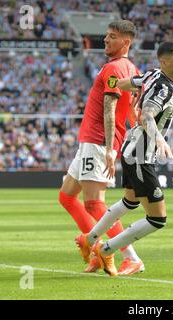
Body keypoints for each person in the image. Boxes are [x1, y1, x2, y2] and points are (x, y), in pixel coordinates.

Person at [75, 42, 173, 276]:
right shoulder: (164, 87)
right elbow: (147, 114)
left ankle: (90, 238)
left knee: (130, 201)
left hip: (131, 150)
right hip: (140, 155)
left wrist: (127, 88)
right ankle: (106, 249)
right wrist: (159, 139)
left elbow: (126, 84)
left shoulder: (152, 74)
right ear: (164, 61)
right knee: (157, 219)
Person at [59, 20, 143, 275]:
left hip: (98, 141)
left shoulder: (115, 68)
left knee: (95, 204)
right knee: (67, 196)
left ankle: (129, 256)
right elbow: (132, 110)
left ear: (125, 42)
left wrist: (109, 147)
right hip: (92, 141)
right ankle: (96, 249)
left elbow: (111, 107)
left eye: (112, 37)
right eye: (106, 36)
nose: (105, 40)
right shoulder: (130, 68)